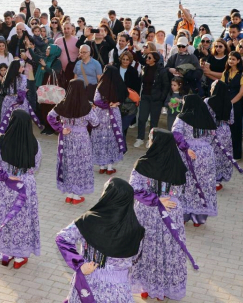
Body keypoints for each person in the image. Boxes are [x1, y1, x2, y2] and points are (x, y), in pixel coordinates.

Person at [130, 128, 196, 301]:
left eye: (151, 139)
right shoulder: (177, 163)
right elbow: (182, 190)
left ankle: (147, 286)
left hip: (147, 211)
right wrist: (165, 197)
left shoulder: (143, 163)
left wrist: (155, 199)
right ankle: (163, 289)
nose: (149, 142)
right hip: (171, 210)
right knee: (167, 251)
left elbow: (134, 189)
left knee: (149, 249)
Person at [55, 178, 145, 303]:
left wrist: (79, 264)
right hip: (118, 290)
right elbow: (135, 258)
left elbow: (62, 238)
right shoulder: (137, 230)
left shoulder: (89, 219)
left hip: (89, 282)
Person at [0, 110, 41, 269]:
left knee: (3, 216)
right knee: (21, 221)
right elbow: (35, 167)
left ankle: (5, 253)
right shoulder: (35, 143)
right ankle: (19, 257)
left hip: (3, 186)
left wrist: (5, 175)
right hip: (24, 186)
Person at [47, 79, 100, 204]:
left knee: (68, 164)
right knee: (80, 165)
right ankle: (76, 196)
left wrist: (60, 129)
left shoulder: (63, 104)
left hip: (66, 138)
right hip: (82, 139)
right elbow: (96, 122)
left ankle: (69, 194)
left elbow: (50, 116)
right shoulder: (86, 106)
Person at [172, 94, 217, 226]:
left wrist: (185, 147)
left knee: (186, 184)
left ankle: (184, 215)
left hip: (188, 153)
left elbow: (176, 134)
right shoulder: (206, 116)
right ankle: (199, 218)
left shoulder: (182, 118)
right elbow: (212, 135)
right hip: (205, 154)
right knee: (203, 184)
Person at [90, 65, 127, 174]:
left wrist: (106, 104)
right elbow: (124, 95)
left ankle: (102, 167)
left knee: (100, 139)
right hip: (114, 115)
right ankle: (110, 168)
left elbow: (96, 100)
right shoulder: (119, 85)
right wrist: (115, 103)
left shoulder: (101, 85)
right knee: (112, 139)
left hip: (100, 115)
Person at [0, 59, 42, 134]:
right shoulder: (23, 77)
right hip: (20, 102)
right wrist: (24, 91)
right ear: (17, 68)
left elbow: (5, 90)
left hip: (8, 101)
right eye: (22, 67)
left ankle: (7, 135)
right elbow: (22, 90)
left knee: (8, 120)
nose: (23, 69)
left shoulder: (6, 77)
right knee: (21, 121)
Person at [206, 80, 236, 191]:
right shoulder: (229, 103)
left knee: (210, 155)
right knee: (221, 156)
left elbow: (204, 118)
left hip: (210, 132)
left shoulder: (207, 101)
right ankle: (217, 181)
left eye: (212, 87)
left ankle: (208, 179)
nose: (210, 89)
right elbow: (231, 120)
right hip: (224, 132)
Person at [222, 51, 243, 159]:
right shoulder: (225, 73)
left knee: (236, 129)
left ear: (238, 61)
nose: (231, 61)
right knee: (226, 129)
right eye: (229, 59)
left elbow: (241, 93)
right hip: (226, 103)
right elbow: (222, 88)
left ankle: (236, 155)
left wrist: (231, 103)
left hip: (237, 105)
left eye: (233, 59)